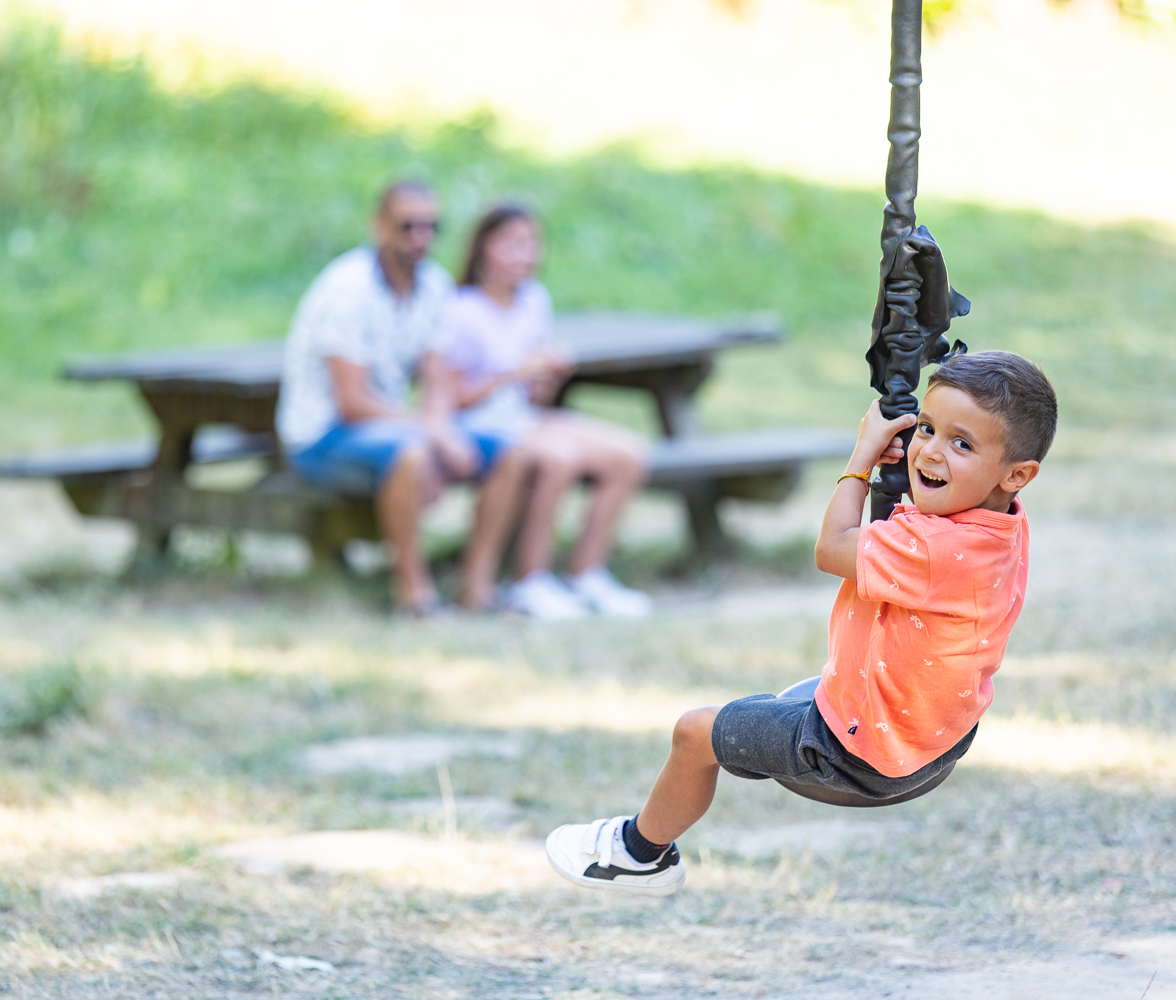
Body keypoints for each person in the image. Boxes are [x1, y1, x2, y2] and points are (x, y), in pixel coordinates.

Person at [544, 351, 1057, 895]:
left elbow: (831, 548)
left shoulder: (932, 548)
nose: (928, 450)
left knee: (695, 734)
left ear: (1017, 474)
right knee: (785, 701)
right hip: (936, 739)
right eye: (927, 428)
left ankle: (639, 856)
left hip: (860, 756)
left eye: (962, 444)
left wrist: (862, 456)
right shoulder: (999, 525)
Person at [275, 179, 496, 615]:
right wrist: (431, 433)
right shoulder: (347, 290)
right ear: (379, 226)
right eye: (408, 226)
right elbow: (352, 402)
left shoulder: (434, 285)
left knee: (511, 451)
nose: (420, 239)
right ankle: (414, 593)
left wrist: (440, 427)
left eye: (432, 227)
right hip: (322, 436)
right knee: (411, 455)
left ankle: (481, 585)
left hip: (393, 427)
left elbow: (438, 377)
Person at [432, 203, 653, 619]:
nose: (526, 254)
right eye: (513, 244)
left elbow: (532, 400)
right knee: (559, 458)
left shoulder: (534, 300)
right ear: (483, 248)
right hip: (480, 426)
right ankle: (528, 580)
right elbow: (450, 397)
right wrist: (512, 374)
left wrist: (545, 377)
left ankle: (586, 572)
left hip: (525, 418)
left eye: (533, 243)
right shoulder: (461, 310)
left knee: (629, 454)